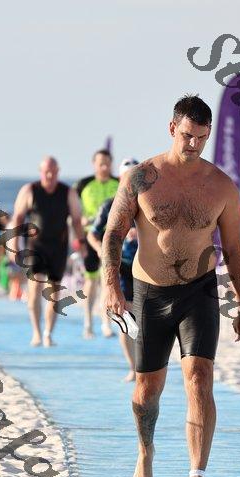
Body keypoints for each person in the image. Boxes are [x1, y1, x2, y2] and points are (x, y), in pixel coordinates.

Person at [102, 95, 240, 477]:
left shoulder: (221, 186)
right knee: (146, 391)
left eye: (201, 137)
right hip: (149, 293)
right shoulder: (141, 178)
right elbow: (114, 233)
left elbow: (234, 249)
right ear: (172, 129)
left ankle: (196, 476)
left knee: (199, 378)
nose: (193, 144)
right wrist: (112, 287)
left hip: (199, 291)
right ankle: (145, 450)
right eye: (187, 135)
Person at [11, 156, 86, 346]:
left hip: (58, 248)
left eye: (53, 171)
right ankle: (36, 332)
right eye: (46, 172)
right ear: (41, 172)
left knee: (54, 291)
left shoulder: (68, 193)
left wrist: (82, 244)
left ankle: (47, 333)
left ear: (58, 171)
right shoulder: (29, 190)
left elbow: (77, 220)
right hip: (35, 247)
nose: (50, 175)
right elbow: (18, 218)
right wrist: (14, 245)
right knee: (35, 288)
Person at [87, 158, 139, 381]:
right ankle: (133, 367)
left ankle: (144, 367)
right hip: (121, 267)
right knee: (126, 318)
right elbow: (93, 234)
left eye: (136, 177)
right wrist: (102, 252)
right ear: (120, 178)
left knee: (145, 320)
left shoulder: (149, 203)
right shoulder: (109, 205)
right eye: (128, 177)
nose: (132, 182)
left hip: (146, 267)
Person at [74, 149, 119, 338]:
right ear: (94, 164)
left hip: (112, 237)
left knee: (107, 279)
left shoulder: (118, 183)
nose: (104, 166)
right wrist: (79, 225)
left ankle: (106, 324)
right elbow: (72, 211)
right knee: (91, 281)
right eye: (101, 163)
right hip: (90, 237)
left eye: (107, 163)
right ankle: (88, 323)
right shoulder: (83, 185)